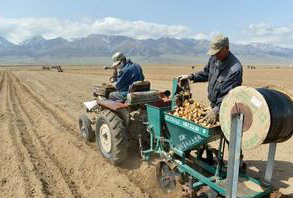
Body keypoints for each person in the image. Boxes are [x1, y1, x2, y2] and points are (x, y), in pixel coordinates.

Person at [179, 34, 243, 125]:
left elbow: (228, 96)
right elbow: (206, 73)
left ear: (227, 48)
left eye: (218, 52)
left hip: (225, 109)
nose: (215, 55)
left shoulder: (235, 69)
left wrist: (216, 111)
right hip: (213, 106)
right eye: (214, 52)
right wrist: (191, 76)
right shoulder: (214, 58)